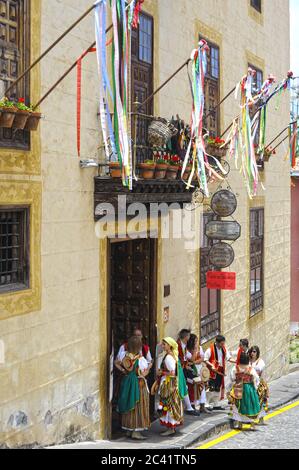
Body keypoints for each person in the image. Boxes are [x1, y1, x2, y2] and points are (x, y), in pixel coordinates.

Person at [117, 335, 151, 440]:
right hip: (138, 384)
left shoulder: (124, 355)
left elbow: (116, 363)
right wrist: (149, 367)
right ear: (139, 346)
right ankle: (136, 431)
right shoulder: (140, 360)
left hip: (127, 382)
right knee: (138, 406)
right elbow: (144, 373)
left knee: (128, 404)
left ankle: (128, 429)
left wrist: (123, 371)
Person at [227, 352, 262, 431]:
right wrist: (255, 387)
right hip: (249, 388)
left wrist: (231, 387)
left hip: (238, 388)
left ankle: (240, 424)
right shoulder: (250, 368)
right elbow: (256, 378)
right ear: (247, 359)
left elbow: (232, 378)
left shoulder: (235, 368)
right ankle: (252, 425)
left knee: (238, 405)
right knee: (250, 405)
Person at [157, 337, 184, 436]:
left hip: (169, 384)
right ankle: (171, 427)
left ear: (169, 345)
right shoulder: (172, 356)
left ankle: (171, 428)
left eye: (164, 344)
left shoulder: (168, 357)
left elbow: (172, 373)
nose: (163, 346)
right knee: (169, 405)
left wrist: (161, 372)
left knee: (169, 405)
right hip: (172, 383)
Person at [177, 329, 201, 416]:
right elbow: (179, 359)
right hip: (180, 370)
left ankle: (191, 405)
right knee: (186, 385)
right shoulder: (178, 346)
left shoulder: (183, 345)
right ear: (186, 337)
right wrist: (185, 365)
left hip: (184, 369)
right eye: (189, 336)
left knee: (195, 381)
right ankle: (189, 407)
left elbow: (188, 358)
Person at [204, 335, 231, 410]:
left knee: (217, 387)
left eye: (223, 343)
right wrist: (211, 365)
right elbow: (205, 359)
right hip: (212, 372)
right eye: (222, 344)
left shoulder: (224, 349)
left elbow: (228, 357)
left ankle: (216, 404)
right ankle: (206, 403)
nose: (223, 345)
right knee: (211, 388)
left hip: (220, 371)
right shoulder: (210, 349)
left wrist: (236, 361)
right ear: (217, 342)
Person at [186, 334, 209, 413]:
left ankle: (202, 405)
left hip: (198, 369)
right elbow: (191, 359)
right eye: (195, 340)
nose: (197, 342)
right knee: (191, 388)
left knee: (202, 387)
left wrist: (194, 362)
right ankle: (192, 406)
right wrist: (195, 351)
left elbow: (202, 358)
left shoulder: (200, 347)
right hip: (191, 371)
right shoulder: (187, 350)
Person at [249, 345, 269, 424]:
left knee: (260, 401)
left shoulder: (260, 362)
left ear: (257, 352)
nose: (252, 353)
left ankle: (261, 418)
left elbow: (258, 372)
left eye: (254, 351)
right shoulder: (248, 361)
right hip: (250, 383)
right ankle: (251, 418)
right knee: (251, 401)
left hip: (258, 384)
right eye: (251, 351)